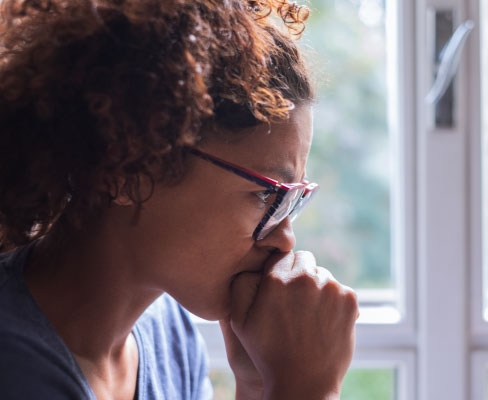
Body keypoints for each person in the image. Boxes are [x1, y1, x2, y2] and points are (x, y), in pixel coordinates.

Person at [0, 0, 359, 399]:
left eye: (292, 199)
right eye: (265, 193)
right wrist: (306, 388)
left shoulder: (166, 331)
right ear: (129, 167)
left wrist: (259, 384)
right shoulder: (15, 367)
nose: (285, 239)